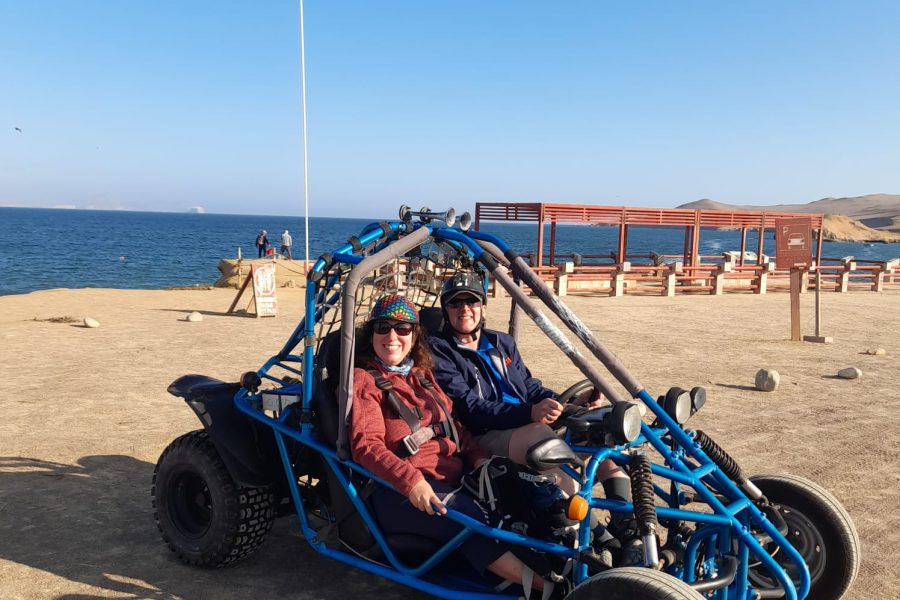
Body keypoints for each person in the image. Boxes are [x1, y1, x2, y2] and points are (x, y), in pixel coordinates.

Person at [349, 294, 567, 597]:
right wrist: (412, 482)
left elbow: (456, 428)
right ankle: (549, 588)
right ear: (371, 334)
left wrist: (480, 460)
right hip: (398, 492)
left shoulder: (422, 376)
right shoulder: (364, 380)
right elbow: (366, 446)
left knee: (517, 486)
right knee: (466, 515)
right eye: (383, 328)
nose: (392, 337)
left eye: (403, 329)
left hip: (453, 478)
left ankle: (566, 559)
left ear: (414, 336)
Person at [428, 271, 636, 555]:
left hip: (527, 424)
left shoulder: (501, 343)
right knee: (546, 444)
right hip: (486, 435)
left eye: (471, 302)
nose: (464, 309)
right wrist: (530, 413)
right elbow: (470, 408)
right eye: (455, 303)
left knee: (604, 431)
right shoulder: (439, 351)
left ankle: (628, 530)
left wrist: (571, 402)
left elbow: (529, 386)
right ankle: (601, 539)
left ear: (483, 307)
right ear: (446, 310)